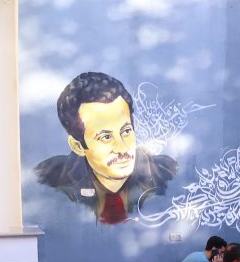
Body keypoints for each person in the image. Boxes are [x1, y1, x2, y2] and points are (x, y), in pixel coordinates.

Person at [35, 72, 177, 224]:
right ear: (78, 146)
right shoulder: (50, 181)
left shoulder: (166, 175)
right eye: (106, 137)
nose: (122, 148)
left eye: (126, 131)